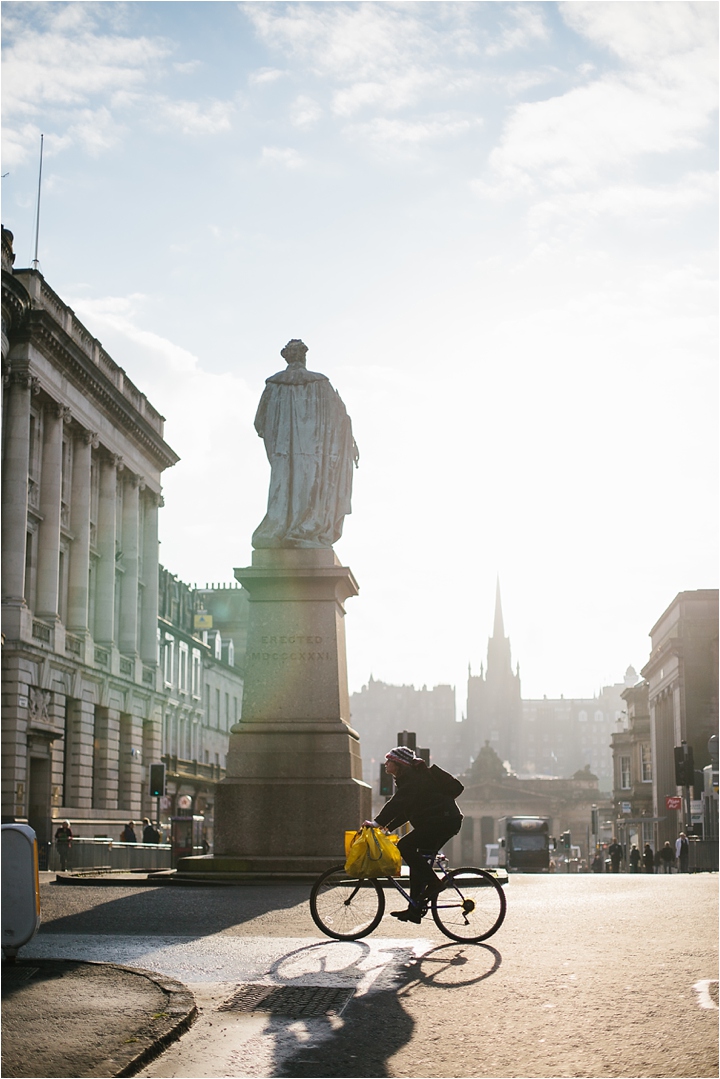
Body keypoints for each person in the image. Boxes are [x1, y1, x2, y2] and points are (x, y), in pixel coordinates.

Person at [252, 339, 359, 549]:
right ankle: (305, 529)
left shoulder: (273, 385)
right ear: (304, 356)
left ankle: (279, 527)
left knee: (282, 486)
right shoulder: (321, 383)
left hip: (282, 452)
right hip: (314, 454)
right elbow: (340, 421)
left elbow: (260, 423)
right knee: (310, 486)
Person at [364, 746, 463, 924]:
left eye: (389, 761)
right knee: (418, 863)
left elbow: (397, 803)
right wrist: (387, 827)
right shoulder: (410, 779)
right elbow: (405, 811)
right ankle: (415, 909)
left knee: (404, 846)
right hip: (440, 822)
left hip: (442, 822)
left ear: (399, 764)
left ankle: (434, 883)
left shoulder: (413, 780)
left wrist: (377, 823)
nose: (386, 764)